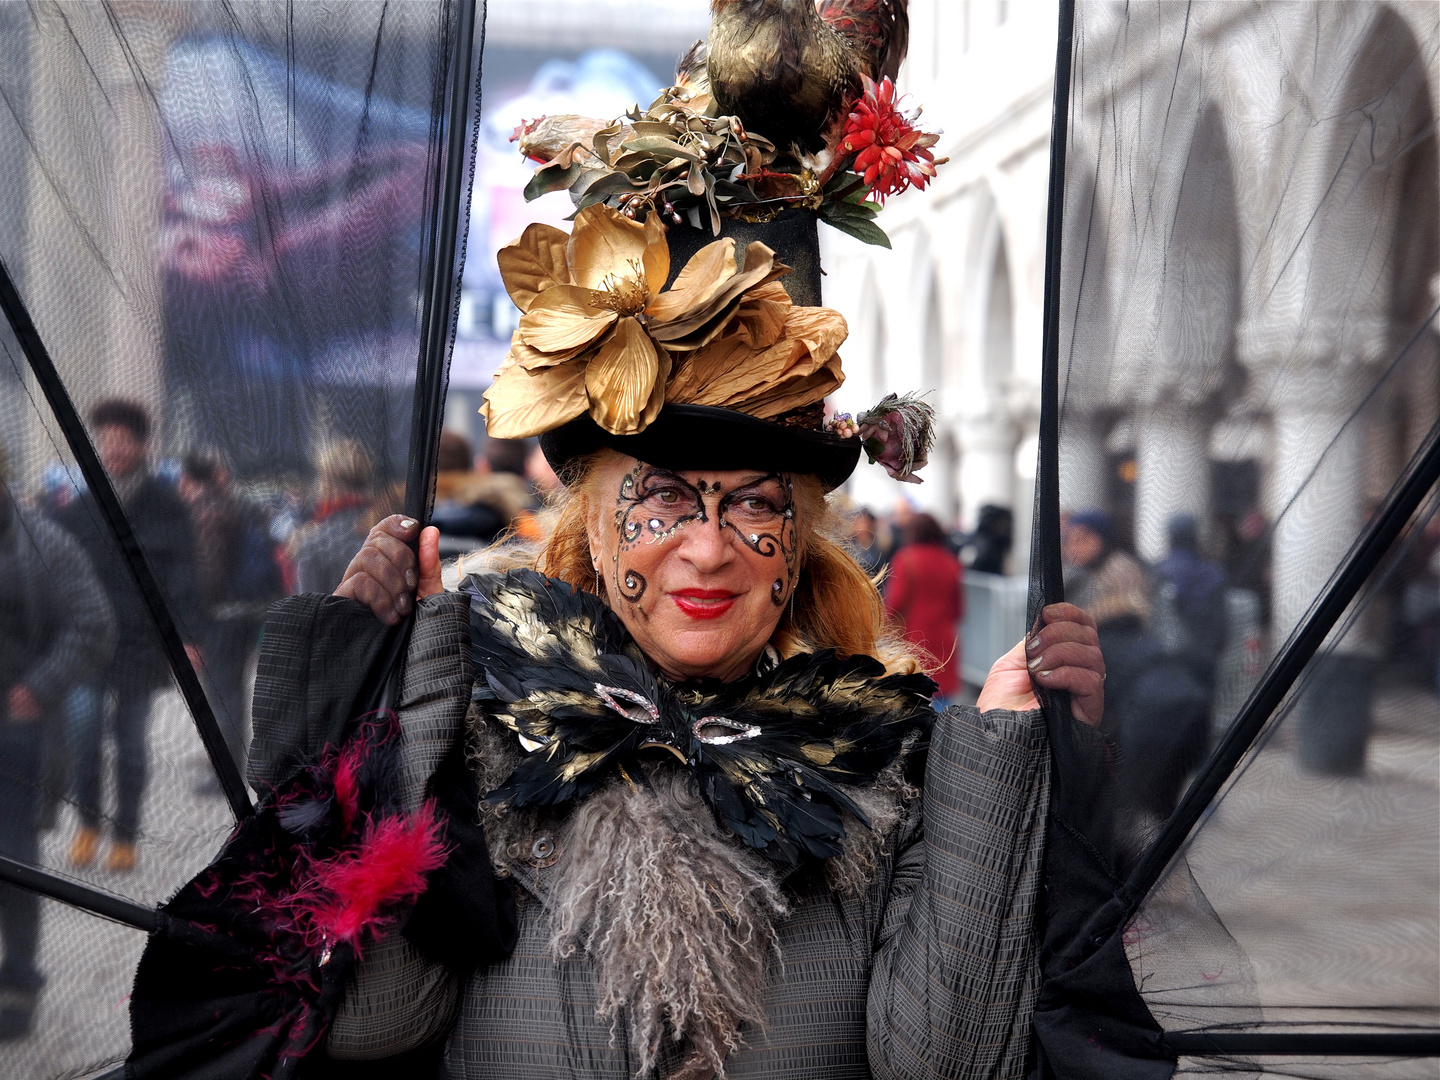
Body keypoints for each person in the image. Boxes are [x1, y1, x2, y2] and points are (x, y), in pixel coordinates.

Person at [223, 202, 1106, 1080]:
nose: (711, 548)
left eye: (754, 504)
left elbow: (949, 1064)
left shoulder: (882, 772)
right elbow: (372, 1022)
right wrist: (394, 701)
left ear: (798, 547)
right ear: (595, 535)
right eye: (663, 501)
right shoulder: (485, 739)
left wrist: (1001, 755)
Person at [56, 399, 200, 874]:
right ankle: (88, 825)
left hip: (141, 646)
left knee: (132, 744)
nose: (112, 448)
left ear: (142, 445)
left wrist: (188, 636)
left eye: (122, 439)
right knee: (83, 736)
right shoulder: (80, 507)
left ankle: (125, 834)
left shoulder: (168, 508)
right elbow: (57, 575)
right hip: (86, 645)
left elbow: (185, 578)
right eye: (106, 439)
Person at [0, 452, 115, 1037]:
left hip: (16, 736)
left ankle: (17, 984)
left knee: (12, 861)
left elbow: (94, 622)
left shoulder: (43, 542)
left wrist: (39, 686)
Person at [885, 513, 964, 706]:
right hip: (946, 643)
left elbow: (894, 605)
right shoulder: (951, 562)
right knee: (943, 708)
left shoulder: (906, 559)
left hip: (914, 642)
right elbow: (958, 611)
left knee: (913, 707)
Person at [286, 438, 376, 595]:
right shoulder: (384, 528)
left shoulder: (313, 543)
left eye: (319, 477)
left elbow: (305, 610)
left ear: (328, 483)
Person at [848, 506, 887, 578]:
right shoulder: (848, 546)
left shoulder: (881, 546)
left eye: (865, 523)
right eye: (859, 523)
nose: (862, 527)